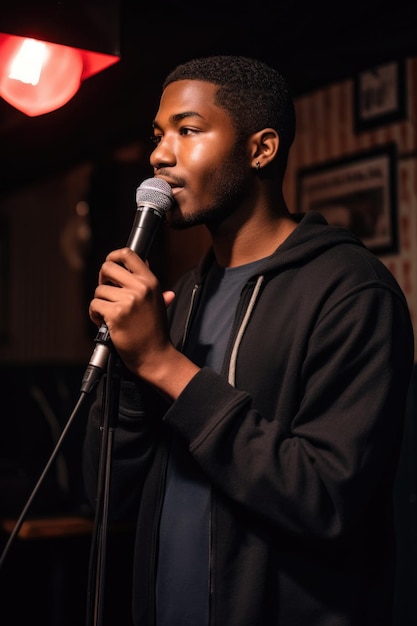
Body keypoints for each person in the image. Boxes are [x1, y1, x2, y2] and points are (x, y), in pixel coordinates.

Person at [83, 55, 414, 626]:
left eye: (188, 131)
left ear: (261, 149)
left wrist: (164, 364)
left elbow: (326, 498)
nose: (161, 155)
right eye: (159, 136)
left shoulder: (352, 291)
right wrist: (135, 372)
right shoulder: (181, 298)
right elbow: (108, 495)